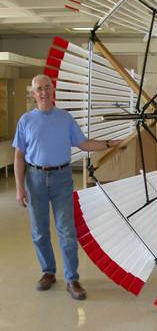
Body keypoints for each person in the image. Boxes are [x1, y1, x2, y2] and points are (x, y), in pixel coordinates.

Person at [13, 74, 121, 300]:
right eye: (39, 89)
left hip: (62, 178)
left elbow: (83, 143)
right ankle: (48, 272)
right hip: (34, 179)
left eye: (47, 88)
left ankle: (72, 278)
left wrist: (109, 144)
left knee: (67, 231)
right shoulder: (25, 121)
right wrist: (19, 188)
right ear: (34, 94)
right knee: (39, 232)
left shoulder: (65, 118)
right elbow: (19, 156)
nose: (43, 92)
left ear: (53, 91)